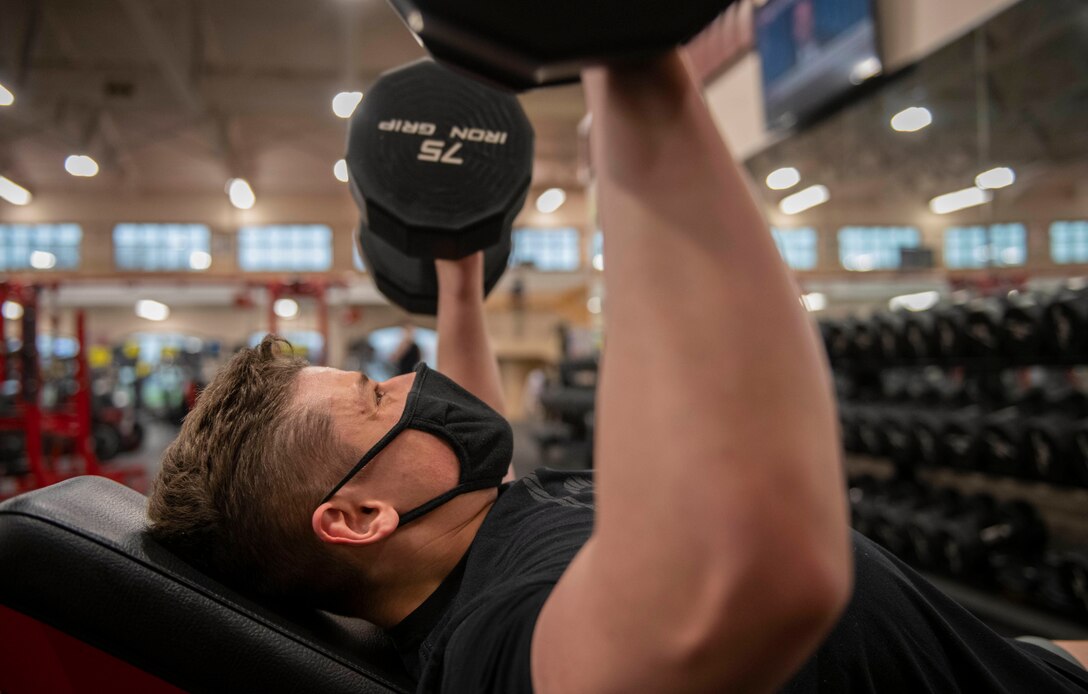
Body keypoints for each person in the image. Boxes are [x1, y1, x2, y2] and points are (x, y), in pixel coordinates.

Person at [146, 49, 1088, 693]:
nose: (414, 385)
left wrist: (458, 272)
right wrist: (633, 67)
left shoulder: (473, 538)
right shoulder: (504, 645)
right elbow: (771, 575)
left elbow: (462, 421)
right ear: (358, 518)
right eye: (376, 397)